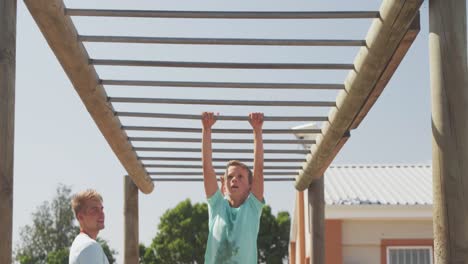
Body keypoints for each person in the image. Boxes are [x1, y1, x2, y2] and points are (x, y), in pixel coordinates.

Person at [201, 112, 265, 264]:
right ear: (224, 184)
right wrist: (206, 129)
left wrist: (257, 131)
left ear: (250, 186)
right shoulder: (217, 205)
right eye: (230, 177)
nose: (234, 179)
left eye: (240, 176)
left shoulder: (252, 207)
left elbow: (259, 170)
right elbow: (207, 168)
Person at [69, 189, 109, 264]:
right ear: (80, 217)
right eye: (94, 210)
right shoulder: (89, 246)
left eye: (101, 209)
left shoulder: (81, 243)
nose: (101, 213)